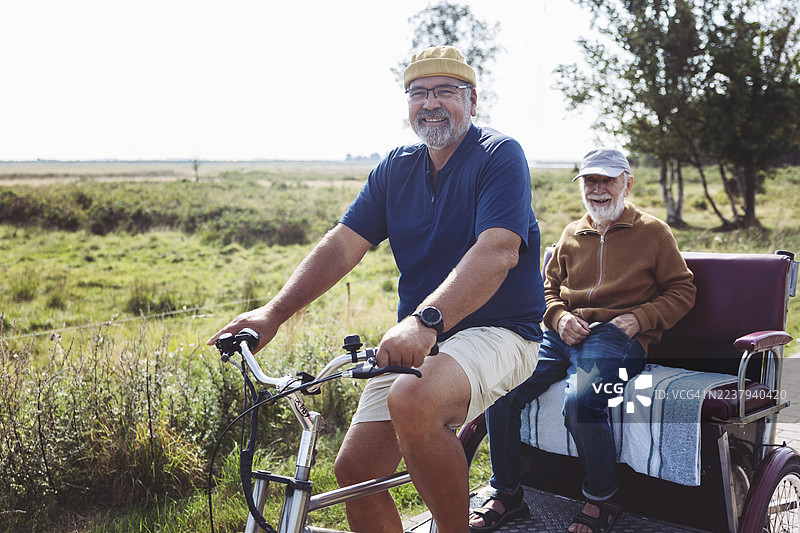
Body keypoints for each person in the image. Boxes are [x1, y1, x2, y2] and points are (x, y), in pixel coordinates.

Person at [207, 45, 546, 533]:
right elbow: (344, 244)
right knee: (356, 470)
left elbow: (498, 251)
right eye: (418, 93)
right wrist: (272, 314)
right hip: (425, 337)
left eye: (445, 91)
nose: (430, 103)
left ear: (473, 100)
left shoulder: (499, 154)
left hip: (501, 329)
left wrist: (425, 321)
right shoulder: (396, 168)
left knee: (414, 400)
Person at [468, 148, 696, 533]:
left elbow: (683, 290)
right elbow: (546, 289)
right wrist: (558, 318)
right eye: (591, 181)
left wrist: (639, 318)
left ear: (627, 183)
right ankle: (507, 493)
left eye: (608, 180)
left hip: (615, 338)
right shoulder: (571, 233)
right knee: (499, 389)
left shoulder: (654, 232)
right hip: (561, 335)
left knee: (581, 401)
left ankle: (604, 497)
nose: (598, 189)